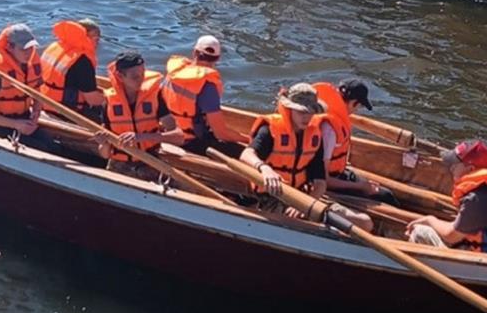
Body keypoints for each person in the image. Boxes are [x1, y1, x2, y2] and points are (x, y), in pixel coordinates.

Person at [241, 83, 372, 230]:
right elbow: (246, 154)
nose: (307, 117)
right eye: (301, 112)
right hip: (273, 198)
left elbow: (320, 183)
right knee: (315, 227)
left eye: (310, 112)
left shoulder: (314, 136)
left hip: (303, 195)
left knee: (365, 222)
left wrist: (307, 203)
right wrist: (264, 168)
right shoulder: (270, 131)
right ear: (290, 109)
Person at [405, 140, 487, 257]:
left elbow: (450, 236)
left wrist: (429, 220)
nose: (451, 168)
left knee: (419, 232)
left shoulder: (476, 199)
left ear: (470, 169)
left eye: (455, 165)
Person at [96, 49, 184, 178]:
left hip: (149, 161)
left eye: (143, 73)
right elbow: (104, 154)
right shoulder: (109, 102)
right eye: (135, 76)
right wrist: (103, 143)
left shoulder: (154, 97)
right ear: (120, 76)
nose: (141, 79)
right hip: (120, 165)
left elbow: (179, 137)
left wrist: (142, 137)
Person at [312, 78, 396, 203]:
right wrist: (361, 186)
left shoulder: (330, 116)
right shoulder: (330, 130)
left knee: (380, 190)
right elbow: (324, 180)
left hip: (337, 173)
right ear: (354, 103)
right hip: (328, 182)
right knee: (386, 196)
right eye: (360, 106)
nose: (357, 110)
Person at [162, 35, 247, 156]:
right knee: (249, 152)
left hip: (171, 130)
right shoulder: (207, 87)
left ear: (195, 52)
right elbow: (221, 134)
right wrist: (249, 140)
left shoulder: (173, 74)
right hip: (193, 141)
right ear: (217, 58)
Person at [0, 24, 57, 153]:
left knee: (52, 146)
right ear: (10, 47)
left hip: (24, 120)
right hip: (0, 125)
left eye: (31, 48)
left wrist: (36, 112)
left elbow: (37, 94)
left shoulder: (33, 65)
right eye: (23, 49)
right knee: (41, 150)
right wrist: (15, 124)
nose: (29, 52)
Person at [40, 19, 105, 119]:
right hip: (64, 110)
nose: (98, 43)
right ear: (84, 38)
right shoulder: (82, 61)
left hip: (44, 100)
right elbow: (92, 100)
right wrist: (109, 99)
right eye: (96, 39)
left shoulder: (55, 46)